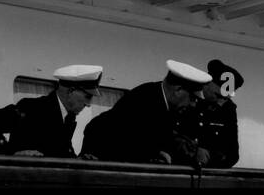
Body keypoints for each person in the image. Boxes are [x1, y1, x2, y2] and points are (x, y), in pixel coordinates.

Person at [82, 60, 210, 164]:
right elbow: (122, 139)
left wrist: (192, 150)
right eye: (192, 98)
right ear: (178, 90)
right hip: (99, 155)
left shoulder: (172, 107)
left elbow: (168, 138)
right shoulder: (143, 99)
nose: (193, 104)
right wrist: (152, 154)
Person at [0, 65, 103, 158]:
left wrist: (79, 161)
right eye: (87, 97)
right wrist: (10, 156)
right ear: (71, 91)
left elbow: (58, 152)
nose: (88, 105)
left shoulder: (67, 117)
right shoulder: (32, 108)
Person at [176, 58, 243, 168]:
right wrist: (193, 153)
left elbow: (232, 155)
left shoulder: (228, 109)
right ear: (207, 84)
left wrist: (209, 156)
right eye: (218, 96)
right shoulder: (186, 97)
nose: (220, 103)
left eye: (225, 99)